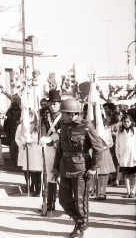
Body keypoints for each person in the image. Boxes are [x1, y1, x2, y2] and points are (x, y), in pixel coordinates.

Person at [52, 98, 104, 238]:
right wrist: (55, 168)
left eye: (63, 114)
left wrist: (93, 167)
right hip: (65, 168)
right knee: (63, 199)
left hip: (81, 169)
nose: (61, 116)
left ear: (71, 113)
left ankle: (80, 227)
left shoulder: (86, 126)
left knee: (80, 201)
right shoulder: (64, 126)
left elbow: (99, 148)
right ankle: (80, 221)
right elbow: (59, 151)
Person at [39, 90, 62, 211]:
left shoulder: (64, 116)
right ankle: (50, 203)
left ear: (59, 104)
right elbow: (42, 127)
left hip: (60, 149)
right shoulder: (45, 116)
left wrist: (50, 139)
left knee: (61, 175)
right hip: (48, 148)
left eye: (55, 104)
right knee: (49, 175)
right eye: (51, 104)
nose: (53, 106)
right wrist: (42, 138)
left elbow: (61, 131)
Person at [16, 108, 43, 196]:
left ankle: (39, 189)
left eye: (30, 116)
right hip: (27, 149)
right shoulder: (21, 126)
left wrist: (29, 140)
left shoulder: (38, 126)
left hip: (36, 149)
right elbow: (18, 137)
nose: (29, 118)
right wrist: (23, 143)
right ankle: (31, 187)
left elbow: (38, 137)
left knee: (37, 169)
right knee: (29, 169)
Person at [115, 114, 136, 198]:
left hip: (133, 155)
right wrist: (118, 157)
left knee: (134, 174)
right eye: (124, 122)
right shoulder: (119, 132)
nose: (126, 123)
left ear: (131, 122)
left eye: (128, 121)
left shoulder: (135, 131)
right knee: (126, 175)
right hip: (124, 156)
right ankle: (128, 191)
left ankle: (133, 191)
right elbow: (117, 145)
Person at [4, 99, 21, 164]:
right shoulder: (9, 112)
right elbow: (6, 122)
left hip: (18, 130)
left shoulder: (21, 111)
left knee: (18, 147)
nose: (15, 106)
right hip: (11, 131)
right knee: (12, 147)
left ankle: (18, 161)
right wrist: (5, 131)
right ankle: (13, 161)